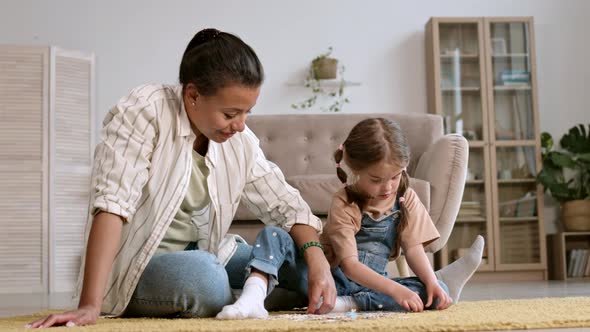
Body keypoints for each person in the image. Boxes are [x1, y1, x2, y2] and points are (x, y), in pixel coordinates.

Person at [26, 28, 335, 329]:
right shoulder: (144, 112)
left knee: (304, 264)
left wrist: (317, 259)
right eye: (230, 114)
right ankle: (257, 292)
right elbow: (112, 203)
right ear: (193, 95)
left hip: (211, 255)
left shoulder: (240, 141)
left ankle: (251, 296)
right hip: (140, 269)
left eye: (247, 113)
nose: (240, 125)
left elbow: (285, 204)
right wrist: (90, 306)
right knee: (204, 276)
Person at [218, 117, 483, 318]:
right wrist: (395, 291)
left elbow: (413, 249)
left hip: (368, 288)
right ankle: (253, 296)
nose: (388, 187)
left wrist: (429, 282)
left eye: (395, 176)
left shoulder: (406, 198)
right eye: (376, 180)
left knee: (433, 293)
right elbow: (350, 266)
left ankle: (354, 303)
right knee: (273, 234)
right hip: (328, 279)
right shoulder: (344, 201)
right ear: (356, 171)